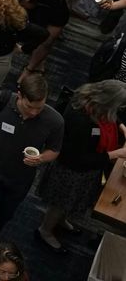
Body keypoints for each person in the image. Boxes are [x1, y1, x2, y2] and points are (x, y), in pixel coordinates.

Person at [35, 79, 126, 252]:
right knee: (60, 203)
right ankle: (45, 231)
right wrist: (116, 154)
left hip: (85, 171)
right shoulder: (80, 120)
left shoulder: (93, 99)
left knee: (69, 203)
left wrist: (121, 126)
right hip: (71, 171)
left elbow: (115, 114)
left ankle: (61, 220)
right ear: (108, 102)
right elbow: (77, 158)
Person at [0, 73, 64, 236]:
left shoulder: (55, 121)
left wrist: (40, 158)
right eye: (29, 106)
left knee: (3, 217)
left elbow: (54, 150)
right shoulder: (1, 100)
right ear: (20, 95)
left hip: (20, 180)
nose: (34, 112)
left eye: (39, 107)